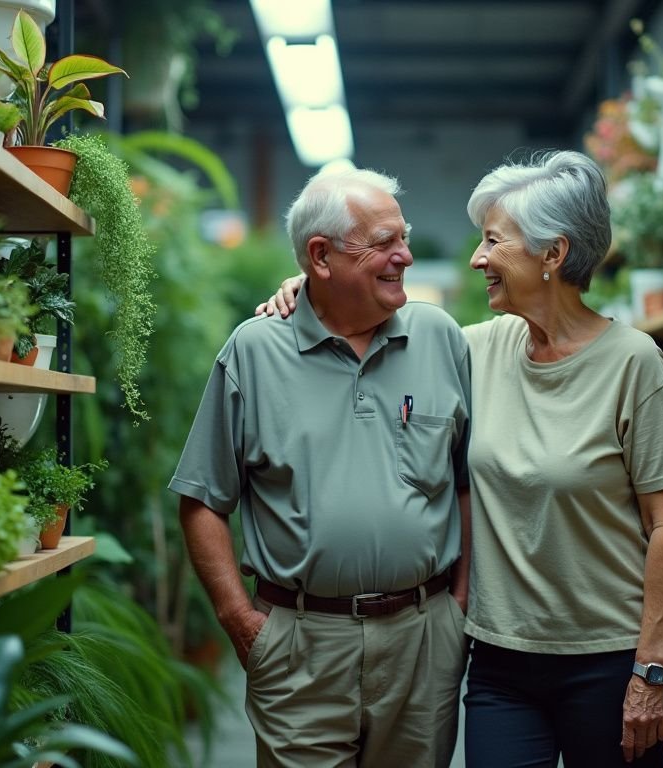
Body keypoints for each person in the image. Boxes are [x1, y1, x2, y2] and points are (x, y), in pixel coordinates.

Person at [257, 150, 663, 766]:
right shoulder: (471, 350)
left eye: (493, 241)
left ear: (553, 254)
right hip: (499, 661)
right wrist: (313, 285)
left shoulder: (634, 363)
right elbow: (372, 316)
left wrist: (651, 669)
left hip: (609, 658)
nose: (478, 258)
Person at [172, 167, 472, 768]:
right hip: (301, 646)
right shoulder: (255, 352)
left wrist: (458, 609)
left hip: (424, 640)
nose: (405, 256)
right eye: (384, 243)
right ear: (320, 256)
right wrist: (240, 621)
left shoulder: (442, 337)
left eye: (403, 237)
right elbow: (202, 499)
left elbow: (465, 483)